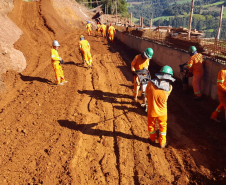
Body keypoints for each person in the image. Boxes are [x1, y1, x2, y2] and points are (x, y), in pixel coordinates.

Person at [145, 66, 175, 148]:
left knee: (151, 125)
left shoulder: (150, 83)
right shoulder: (169, 88)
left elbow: (147, 95)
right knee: (163, 127)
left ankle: (152, 139)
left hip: (152, 110)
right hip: (162, 112)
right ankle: (162, 143)